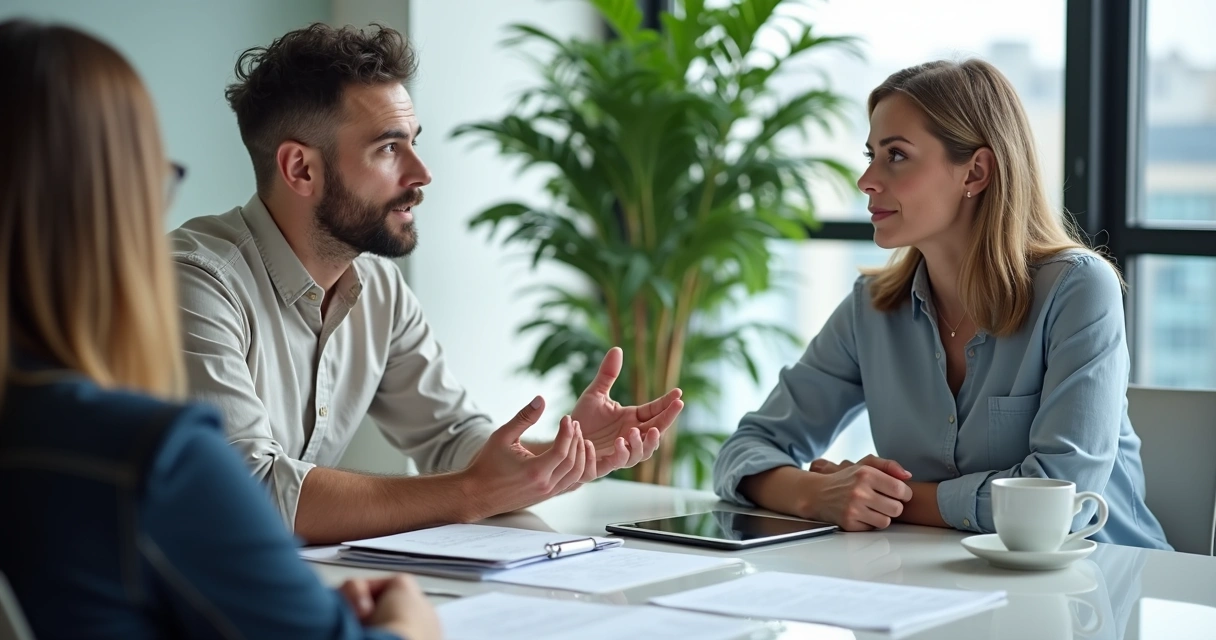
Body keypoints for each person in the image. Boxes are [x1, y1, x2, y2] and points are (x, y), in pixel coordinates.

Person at [0, 20, 441, 639]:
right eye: (156, 178)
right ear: (112, 204)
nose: (421, 174)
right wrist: (410, 625)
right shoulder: (155, 459)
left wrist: (555, 456)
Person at [169, 22, 685, 545]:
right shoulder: (194, 283)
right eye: (389, 148)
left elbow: (452, 438)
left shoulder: (379, 290)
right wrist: (472, 493)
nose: (422, 172)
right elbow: (245, 493)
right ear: (301, 169)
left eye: (413, 143)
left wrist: (559, 456)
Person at [713, 59, 1170, 550]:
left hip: (1106, 592)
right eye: (870, 155)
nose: (867, 179)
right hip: (943, 584)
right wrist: (818, 494)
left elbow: (1061, 497)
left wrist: (889, 498)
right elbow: (743, 451)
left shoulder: (1079, 290)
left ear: (975, 171)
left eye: (896, 156)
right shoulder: (870, 309)